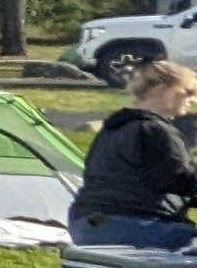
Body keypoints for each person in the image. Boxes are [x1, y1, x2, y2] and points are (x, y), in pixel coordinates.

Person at [72, 56, 197, 248]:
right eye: (187, 92)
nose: (193, 99)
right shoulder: (155, 130)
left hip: (87, 224)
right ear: (162, 90)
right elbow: (180, 180)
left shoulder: (112, 129)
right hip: (129, 224)